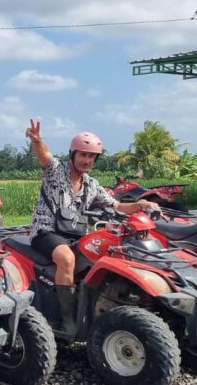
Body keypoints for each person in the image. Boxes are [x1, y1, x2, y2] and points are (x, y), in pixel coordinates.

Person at [25, 119, 156, 334]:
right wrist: (37, 141)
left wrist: (141, 205)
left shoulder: (92, 185)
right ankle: (67, 320)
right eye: (83, 155)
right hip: (46, 232)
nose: (87, 160)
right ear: (73, 155)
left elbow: (117, 205)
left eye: (91, 156)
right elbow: (44, 157)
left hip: (75, 234)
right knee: (67, 259)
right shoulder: (56, 172)